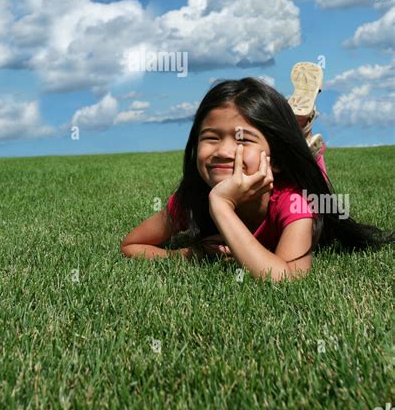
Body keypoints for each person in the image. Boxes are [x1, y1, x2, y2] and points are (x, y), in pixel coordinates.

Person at [120, 65, 393, 282]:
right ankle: (299, 131)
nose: (224, 151)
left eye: (243, 140)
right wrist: (185, 255)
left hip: (295, 178)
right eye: (211, 137)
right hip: (279, 159)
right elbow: (131, 245)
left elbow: (286, 278)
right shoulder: (192, 197)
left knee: (311, 169)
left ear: (274, 161)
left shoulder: (295, 203)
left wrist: (222, 206)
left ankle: (303, 133)